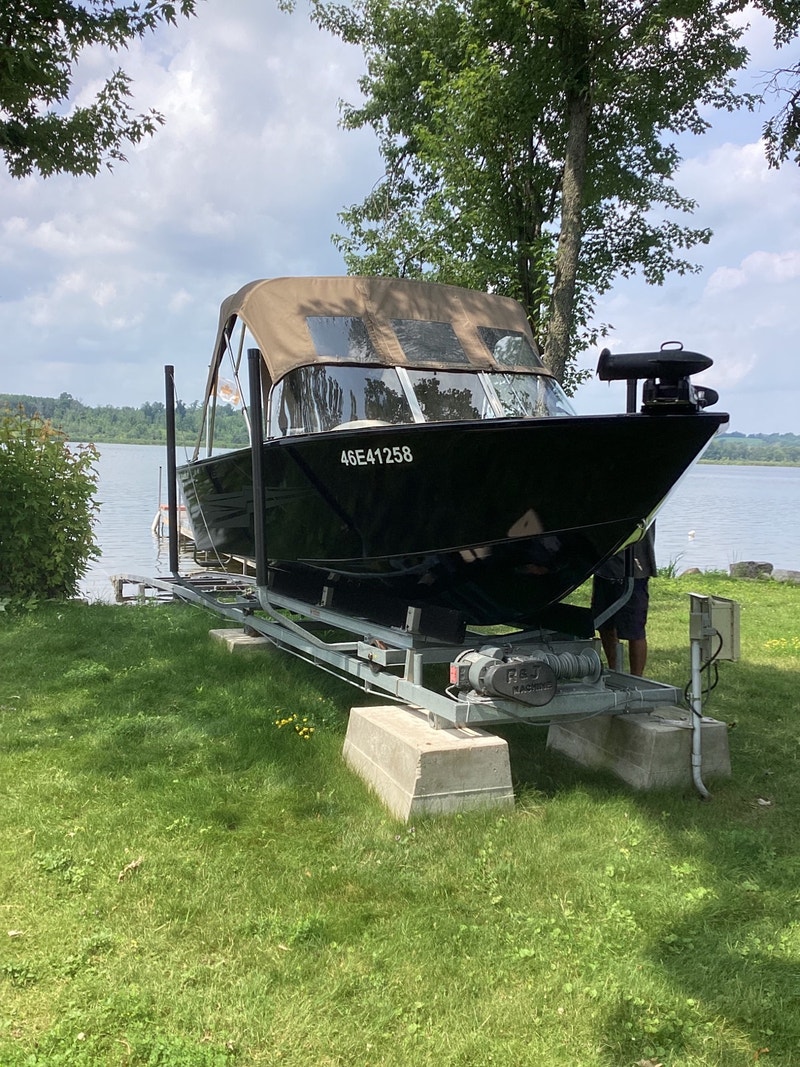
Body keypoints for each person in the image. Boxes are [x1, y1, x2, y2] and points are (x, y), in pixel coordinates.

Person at [591, 527, 656, 676]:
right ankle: (614, 672)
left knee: (635, 629)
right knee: (604, 623)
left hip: (634, 568)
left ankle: (637, 679)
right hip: (605, 566)